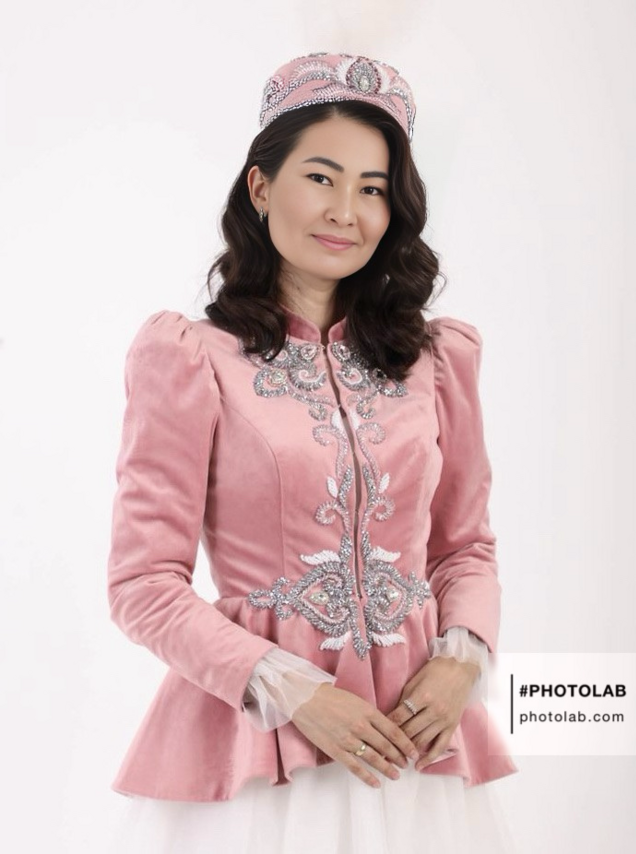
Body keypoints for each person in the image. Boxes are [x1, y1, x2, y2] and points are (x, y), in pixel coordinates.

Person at [106, 51, 519, 853]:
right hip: (262, 752)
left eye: (373, 189)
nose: (346, 211)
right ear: (261, 188)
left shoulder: (436, 361)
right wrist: (297, 693)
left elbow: (465, 548)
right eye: (321, 178)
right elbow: (143, 585)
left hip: (418, 749)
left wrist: (461, 661)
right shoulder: (191, 358)